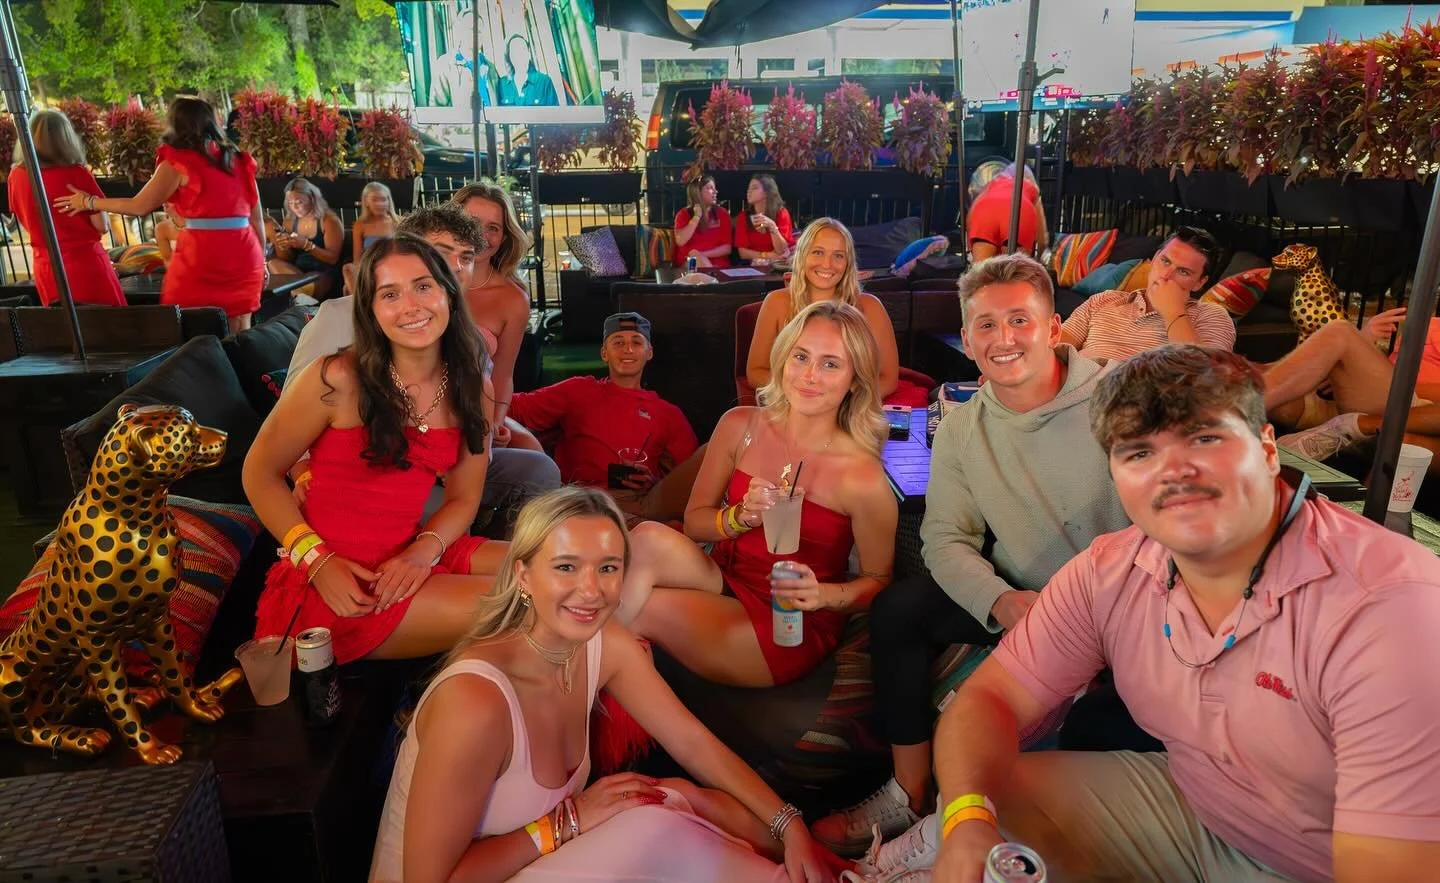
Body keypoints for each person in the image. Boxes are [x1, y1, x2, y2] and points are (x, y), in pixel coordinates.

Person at [927, 344, 1440, 883]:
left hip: (1322, 865)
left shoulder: (1388, 610)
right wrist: (966, 821)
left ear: (1268, 449)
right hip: (1205, 813)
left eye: (1204, 438)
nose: (1174, 471)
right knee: (988, 797)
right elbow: (988, 699)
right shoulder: (1113, 569)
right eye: (1139, 453)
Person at [812, 253, 1131, 858]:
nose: (1003, 339)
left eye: (1019, 320)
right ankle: (908, 790)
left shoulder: (1119, 401)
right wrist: (1001, 601)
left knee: (1103, 721)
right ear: (966, 339)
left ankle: (1010, 820)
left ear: (1054, 328)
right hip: (1021, 597)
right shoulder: (962, 428)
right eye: (986, 325)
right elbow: (945, 537)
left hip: (1118, 605)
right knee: (898, 609)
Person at [369, 487, 844, 883]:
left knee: (676, 796)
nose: (592, 591)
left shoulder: (603, 644)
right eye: (566, 567)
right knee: (650, 828)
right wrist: (568, 821)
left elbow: (694, 743)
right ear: (523, 575)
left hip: (539, 856)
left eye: (609, 567)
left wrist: (791, 827)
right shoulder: (474, 702)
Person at [244, 235, 509, 662]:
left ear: (447, 293)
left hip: (413, 550)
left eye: (423, 286)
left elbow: (464, 497)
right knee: (536, 599)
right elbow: (259, 473)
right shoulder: (337, 377)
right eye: (390, 294)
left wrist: (423, 552)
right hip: (339, 586)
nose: (411, 306)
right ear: (370, 310)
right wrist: (316, 560)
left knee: (570, 568)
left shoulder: (474, 387)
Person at [617, 301, 897, 688]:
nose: (810, 375)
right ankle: (569, 666)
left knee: (639, 607)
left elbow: (878, 582)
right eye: (801, 356)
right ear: (783, 358)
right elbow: (696, 523)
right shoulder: (740, 425)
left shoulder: (863, 477)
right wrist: (740, 516)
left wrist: (820, 594)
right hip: (725, 576)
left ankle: (568, 680)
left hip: (788, 618)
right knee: (647, 536)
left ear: (854, 380)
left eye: (831, 364)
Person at [285, 205, 561, 529]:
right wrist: (303, 472)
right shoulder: (338, 316)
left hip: (446, 463)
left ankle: (504, 545)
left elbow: (475, 418)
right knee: (433, 507)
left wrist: (464, 459)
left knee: (538, 471)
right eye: (441, 253)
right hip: (369, 469)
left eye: (466, 257)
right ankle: (457, 541)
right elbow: (291, 411)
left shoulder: (469, 336)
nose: (456, 266)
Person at [53, 96, 263, 333]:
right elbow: (255, 218)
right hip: (245, 251)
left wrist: (89, 201)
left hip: (204, 254)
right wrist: (261, 261)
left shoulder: (178, 161)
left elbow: (138, 206)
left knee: (189, 326)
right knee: (241, 329)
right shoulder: (238, 160)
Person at [508, 312, 698, 520]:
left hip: (643, 502)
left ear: (649, 352)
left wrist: (653, 481)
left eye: (636, 342)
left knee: (708, 452)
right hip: (583, 501)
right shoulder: (578, 390)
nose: (628, 349)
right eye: (618, 342)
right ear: (604, 353)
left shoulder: (668, 413)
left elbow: (691, 478)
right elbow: (510, 406)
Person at [746, 218, 904, 402]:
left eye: (838, 255)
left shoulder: (870, 307)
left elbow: (888, 378)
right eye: (818, 252)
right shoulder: (776, 302)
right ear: (802, 255)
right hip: (791, 407)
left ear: (848, 262)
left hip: (851, 408)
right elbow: (755, 372)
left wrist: (842, 403)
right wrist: (804, 395)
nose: (827, 264)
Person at [1058, 225, 1235, 360]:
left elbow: (1206, 379)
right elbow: (1054, 350)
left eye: (1183, 271)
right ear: (1154, 258)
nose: (1166, 275)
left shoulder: (1211, 315)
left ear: (1200, 282)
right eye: (1165, 261)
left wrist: (1173, 311)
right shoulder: (1104, 299)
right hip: (1076, 389)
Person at [450, 181, 538, 451]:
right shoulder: (424, 280)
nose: (481, 235)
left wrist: (496, 422)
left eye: (493, 228)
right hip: (417, 402)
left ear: (505, 237)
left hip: (475, 410)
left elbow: (502, 375)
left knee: (534, 452)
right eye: (472, 223)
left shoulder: (513, 299)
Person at [8, 110, 125, 307]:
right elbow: (102, 225)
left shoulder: (16, 176)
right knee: (108, 321)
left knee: (60, 322)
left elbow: (22, 217)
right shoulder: (77, 174)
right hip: (84, 263)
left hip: (45, 266)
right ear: (65, 138)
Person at [269, 177, 344, 300]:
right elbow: (287, 259)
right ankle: (302, 296)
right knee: (273, 263)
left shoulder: (329, 220)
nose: (294, 207)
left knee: (308, 279)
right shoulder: (289, 221)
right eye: (290, 203)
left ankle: (298, 296)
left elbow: (333, 259)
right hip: (297, 272)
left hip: (323, 272)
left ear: (311, 198)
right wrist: (282, 245)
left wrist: (306, 245)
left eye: (299, 202)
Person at [964, 161, 1048, 262]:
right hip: (1020, 213)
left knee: (981, 271)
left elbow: (971, 214)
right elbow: (1043, 239)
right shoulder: (1031, 188)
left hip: (985, 213)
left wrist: (971, 249)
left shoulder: (991, 184)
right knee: (1013, 271)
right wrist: (1039, 258)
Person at [341, 181, 400, 295]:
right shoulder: (360, 225)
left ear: (389, 202)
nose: (380, 204)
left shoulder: (397, 222)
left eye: (383, 199)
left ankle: (357, 297)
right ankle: (358, 298)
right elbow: (357, 258)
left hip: (392, 266)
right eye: (375, 200)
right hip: (368, 267)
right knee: (348, 268)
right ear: (366, 202)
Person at [673, 175, 732, 270]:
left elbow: (727, 248)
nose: (715, 192)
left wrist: (702, 255)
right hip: (690, 264)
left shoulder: (722, 213)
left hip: (718, 266)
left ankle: (710, 276)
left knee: (697, 256)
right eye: (710, 188)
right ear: (697, 193)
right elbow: (680, 241)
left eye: (715, 188)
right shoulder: (683, 214)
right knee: (695, 258)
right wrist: (696, 217)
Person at [735, 174, 796, 266]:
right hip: (755, 265)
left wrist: (772, 226)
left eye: (754, 188)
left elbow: (781, 250)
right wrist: (768, 255)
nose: (749, 191)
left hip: (779, 264)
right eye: (748, 188)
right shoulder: (744, 216)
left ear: (767, 192)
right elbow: (743, 253)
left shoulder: (781, 213)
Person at [497, 33, 560, 107]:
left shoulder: (544, 82)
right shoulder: (502, 84)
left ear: (528, 53)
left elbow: (554, 113)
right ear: (510, 56)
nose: (519, 54)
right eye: (515, 51)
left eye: (523, 49)